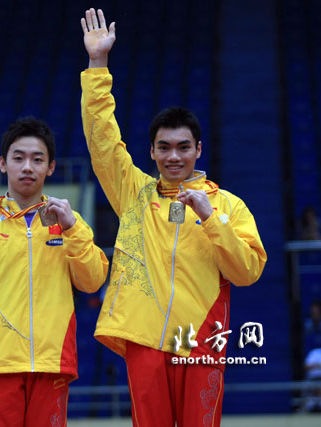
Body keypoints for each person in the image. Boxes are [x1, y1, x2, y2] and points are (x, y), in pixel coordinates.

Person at [80, 9, 267, 426]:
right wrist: (97, 64)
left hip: (200, 337)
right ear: (151, 152)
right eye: (164, 147)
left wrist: (210, 219)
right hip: (145, 337)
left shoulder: (229, 206)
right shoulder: (134, 193)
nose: (173, 156)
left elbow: (248, 271)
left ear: (199, 149)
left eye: (183, 147)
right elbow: (102, 140)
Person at [0, 117, 109, 426]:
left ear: (50, 167)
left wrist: (72, 229)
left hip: (52, 362)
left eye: (37, 159)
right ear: (3, 164)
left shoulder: (69, 221)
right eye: (19, 158)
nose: (28, 167)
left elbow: (92, 282)